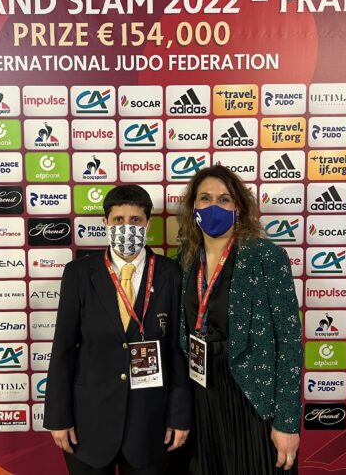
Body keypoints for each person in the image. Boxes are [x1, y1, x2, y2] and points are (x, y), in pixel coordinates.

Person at [43, 184, 192, 475]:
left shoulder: (171, 273)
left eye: (135, 220)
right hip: (89, 424)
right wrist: (58, 417)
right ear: (105, 223)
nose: (127, 227)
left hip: (150, 423)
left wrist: (180, 415)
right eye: (118, 220)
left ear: (148, 224)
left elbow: (177, 350)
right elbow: (63, 350)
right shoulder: (79, 274)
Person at [177, 165, 302, 475]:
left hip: (252, 396)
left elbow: (289, 342)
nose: (214, 206)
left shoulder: (266, 257)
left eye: (225, 199)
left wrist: (287, 422)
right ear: (193, 207)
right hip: (200, 394)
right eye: (205, 198)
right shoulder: (185, 259)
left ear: (239, 208)